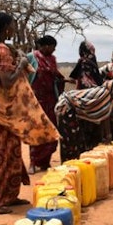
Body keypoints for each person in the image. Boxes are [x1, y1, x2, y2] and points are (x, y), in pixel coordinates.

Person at [0, 12, 59, 214]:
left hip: (1, 109)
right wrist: (20, 64)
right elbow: (7, 81)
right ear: (5, 28)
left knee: (12, 153)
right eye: (12, 26)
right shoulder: (1, 49)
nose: (14, 29)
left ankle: (9, 196)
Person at [55, 79, 113, 161]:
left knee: (77, 138)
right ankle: (69, 164)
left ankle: (74, 162)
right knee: (71, 139)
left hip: (70, 108)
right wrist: (108, 136)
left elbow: (102, 116)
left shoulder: (103, 92)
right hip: (66, 109)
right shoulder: (105, 95)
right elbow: (105, 118)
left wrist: (104, 137)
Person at [29, 35, 65, 174]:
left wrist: (62, 79)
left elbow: (55, 75)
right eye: (52, 46)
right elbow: (26, 77)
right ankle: (32, 162)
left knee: (52, 131)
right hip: (36, 101)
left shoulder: (52, 59)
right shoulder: (32, 57)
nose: (54, 50)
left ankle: (45, 162)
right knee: (35, 132)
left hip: (51, 100)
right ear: (44, 46)